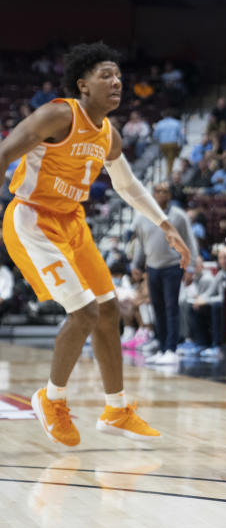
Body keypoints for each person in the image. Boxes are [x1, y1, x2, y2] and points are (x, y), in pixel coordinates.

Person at [0, 42, 190, 446]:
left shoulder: (109, 135)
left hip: (72, 221)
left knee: (109, 310)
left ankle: (116, 408)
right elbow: (3, 153)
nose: (117, 81)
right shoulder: (59, 113)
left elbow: (126, 185)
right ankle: (51, 399)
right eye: (106, 74)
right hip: (32, 217)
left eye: (119, 75)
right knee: (84, 311)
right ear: (83, 85)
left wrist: (164, 224)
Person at [131, 182, 199, 366]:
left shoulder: (178, 217)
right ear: (153, 194)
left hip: (172, 266)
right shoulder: (143, 216)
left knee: (171, 308)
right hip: (152, 268)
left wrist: (191, 267)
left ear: (170, 195)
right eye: (159, 191)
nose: (162, 194)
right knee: (157, 309)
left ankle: (172, 349)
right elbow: (141, 243)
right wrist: (136, 264)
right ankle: (161, 348)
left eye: (166, 191)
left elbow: (190, 242)